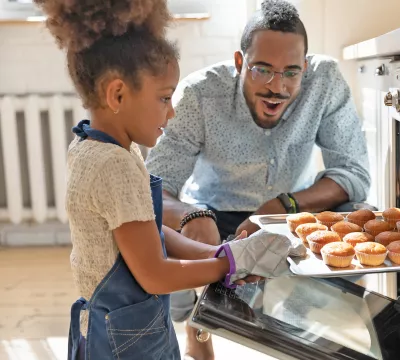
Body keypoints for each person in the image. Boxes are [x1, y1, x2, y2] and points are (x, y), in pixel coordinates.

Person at [33, 1, 297, 359]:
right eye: (164, 97)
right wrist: (230, 265)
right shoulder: (116, 166)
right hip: (126, 340)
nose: (172, 112)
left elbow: (147, 232)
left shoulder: (95, 146)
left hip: (114, 324)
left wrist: (218, 252)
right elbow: (154, 275)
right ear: (118, 94)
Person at [146, 0, 371, 358]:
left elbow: (354, 173)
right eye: (262, 69)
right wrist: (192, 216)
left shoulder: (324, 81)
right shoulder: (199, 94)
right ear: (240, 63)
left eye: (291, 73)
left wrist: (284, 204)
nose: (276, 87)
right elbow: (154, 187)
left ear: (306, 68)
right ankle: (197, 322)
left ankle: (299, 321)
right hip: (212, 216)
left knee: (357, 213)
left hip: (288, 215)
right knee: (154, 232)